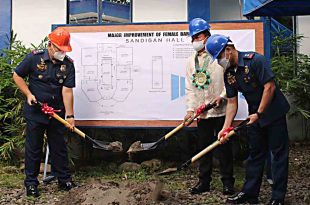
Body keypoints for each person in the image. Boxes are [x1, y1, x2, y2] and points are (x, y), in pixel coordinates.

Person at [206, 34, 290, 205]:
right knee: (255, 154)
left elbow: (270, 87)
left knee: (278, 155)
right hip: (254, 116)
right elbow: (231, 101)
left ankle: (278, 198)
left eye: (219, 57)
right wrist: (226, 127)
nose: (219, 61)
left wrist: (259, 113)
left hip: (273, 113)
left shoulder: (255, 60)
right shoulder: (229, 73)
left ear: (228, 50)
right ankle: (250, 193)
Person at [13, 27, 76, 197]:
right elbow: (17, 75)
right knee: (34, 148)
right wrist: (28, 94)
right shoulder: (34, 58)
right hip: (36, 112)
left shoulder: (68, 64)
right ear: (50, 45)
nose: (62, 53)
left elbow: (67, 90)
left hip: (57, 113)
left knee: (59, 147)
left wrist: (70, 116)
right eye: (59, 49)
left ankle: (64, 180)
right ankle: (31, 183)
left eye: (64, 50)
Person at [183, 18, 235, 195]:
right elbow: (190, 88)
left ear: (207, 36)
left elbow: (231, 81)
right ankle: (204, 182)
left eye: (199, 36)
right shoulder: (191, 62)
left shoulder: (219, 55)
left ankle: (228, 182)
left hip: (221, 110)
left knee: (224, 147)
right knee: (204, 148)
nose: (196, 40)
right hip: (202, 113)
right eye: (193, 37)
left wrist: (222, 96)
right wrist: (191, 109)